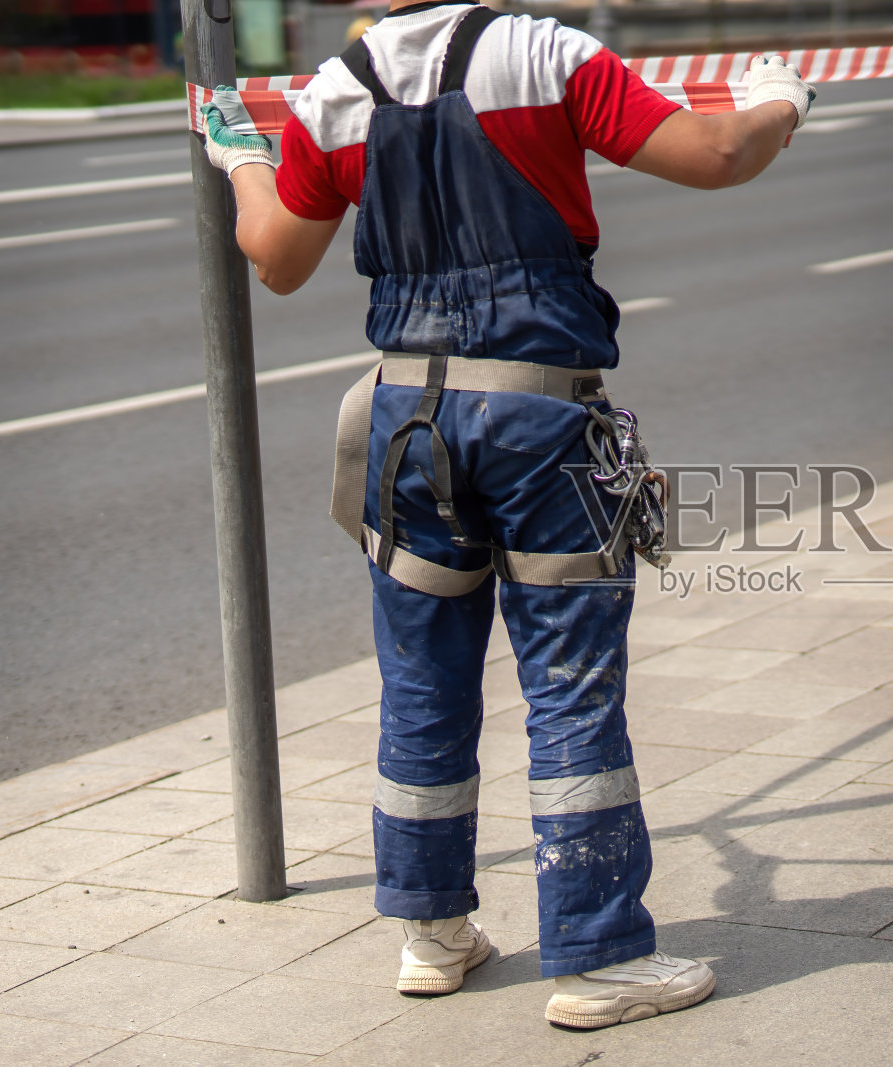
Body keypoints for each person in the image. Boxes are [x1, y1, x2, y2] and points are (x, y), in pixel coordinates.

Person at [198, 0, 813, 1031]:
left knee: (421, 682)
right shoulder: (543, 51)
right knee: (569, 685)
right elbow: (712, 155)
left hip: (406, 423)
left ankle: (433, 935)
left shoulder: (335, 90)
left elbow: (278, 258)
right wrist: (775, 104)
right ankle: (597, 954)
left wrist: (240, 160)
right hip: (537, 414)